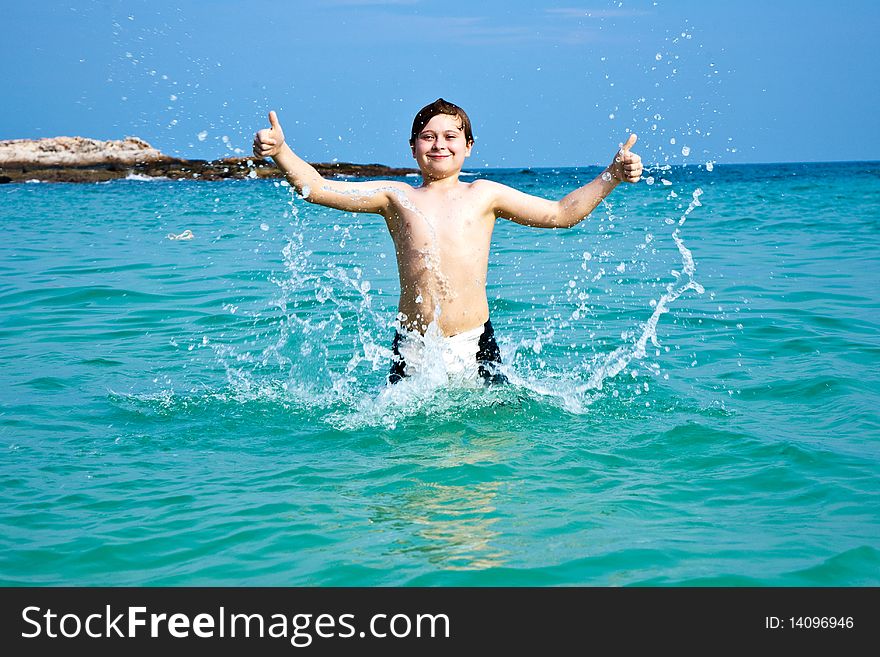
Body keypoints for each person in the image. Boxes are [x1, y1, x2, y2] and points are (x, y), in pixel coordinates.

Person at [253, 98, 643, 386]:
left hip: (476, 345)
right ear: (413, 147)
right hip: (413, 347)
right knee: (408, 450)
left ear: (468, 145)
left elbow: (561, 213)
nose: (439, 144)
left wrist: (612, 175)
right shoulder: (395, 197)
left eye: (450, 136)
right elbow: (317, 188)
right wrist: (282, 152)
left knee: (488, 447)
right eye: (428, 137)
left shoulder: (485, 195)